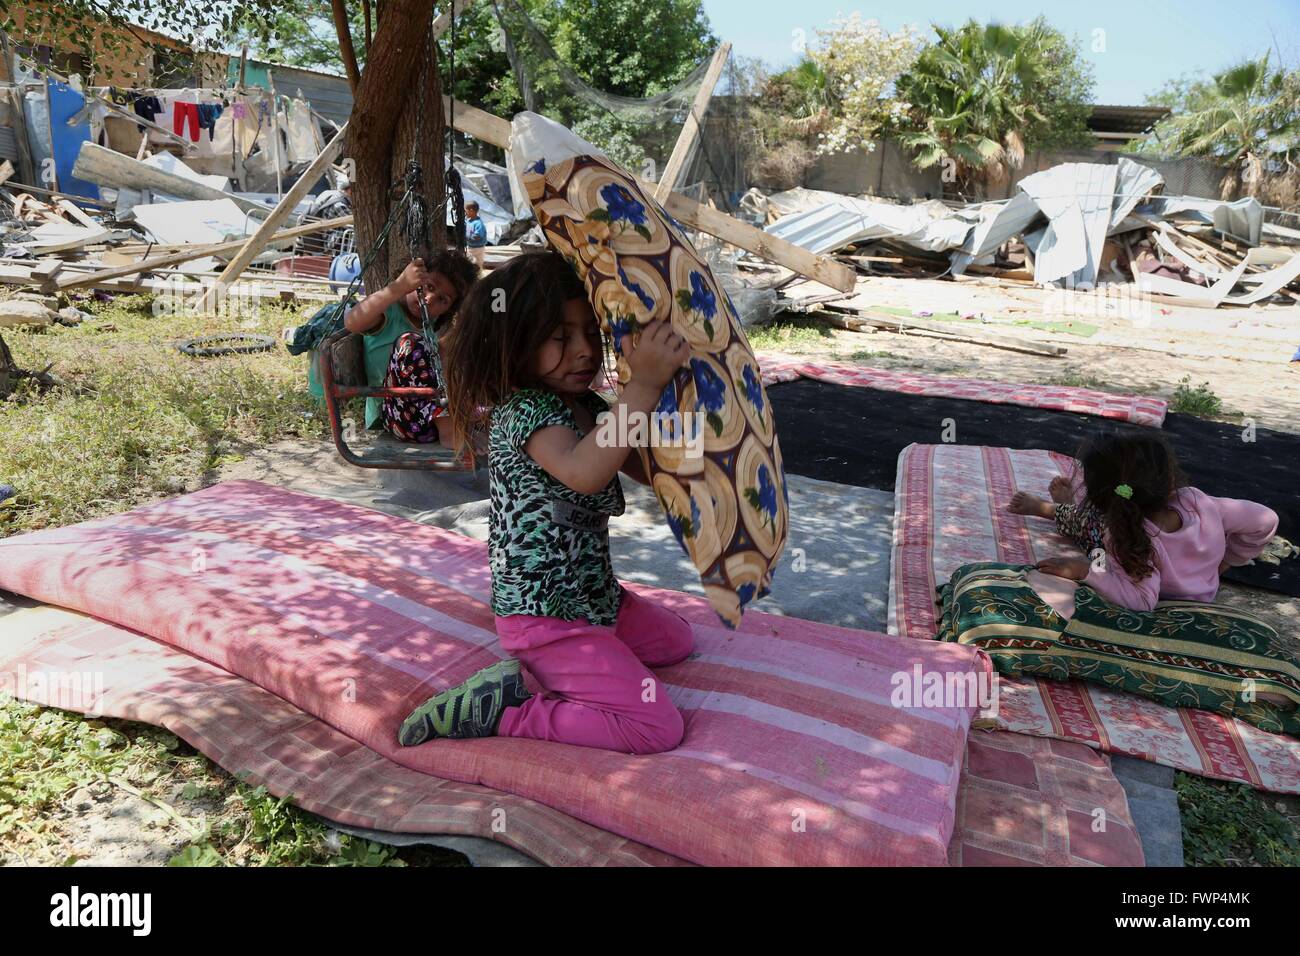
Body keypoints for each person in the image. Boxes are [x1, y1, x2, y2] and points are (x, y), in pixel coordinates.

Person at [398, 251, 695, 754]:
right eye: (560, 338)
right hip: (545, 617)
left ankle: (587, 661)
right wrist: (642, 387)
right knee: (655, 728)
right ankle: (511, 709)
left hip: (594, 598)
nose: (583, 352)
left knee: (677, 643)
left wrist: (658, 403)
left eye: (589, 335)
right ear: (515, 346)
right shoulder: (525, 411)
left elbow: (644, 469)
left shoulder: (587, 406)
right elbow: (583, 473)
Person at [1009, 432, 1278, 612]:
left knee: (1091, 536)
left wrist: (1085, 572)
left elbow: (1142, 599)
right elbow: (1266, 520)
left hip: (1154, 586)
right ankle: (1068, 506)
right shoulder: (1196, 500)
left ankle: (1059, 508)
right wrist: (1225, 563)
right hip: (1204, 590)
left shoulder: (1123, 534)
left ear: (1107, 498)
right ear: (1166, 480)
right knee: (1091, 528)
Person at [342, 249, 478, 442]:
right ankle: (449, 429)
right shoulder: (388, 314)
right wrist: (400, 286)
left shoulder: (427, 325)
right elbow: (352, 322)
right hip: (396, 415)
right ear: (414, 280)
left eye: (442, 299)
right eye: (428, 286)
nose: (429, 298)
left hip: (425, 418)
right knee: (410, 342)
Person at [464, 200, 488, 269]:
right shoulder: (468, 221)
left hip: (478, 249)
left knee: (477, 264)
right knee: (470, 263)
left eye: (465, 211)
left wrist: (466, 237)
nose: (465, 213)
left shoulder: (478, 224)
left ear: (471, 211)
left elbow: (477, 236)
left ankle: (479, 277)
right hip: (470, 247)